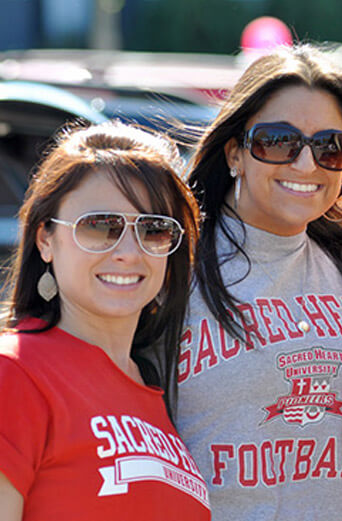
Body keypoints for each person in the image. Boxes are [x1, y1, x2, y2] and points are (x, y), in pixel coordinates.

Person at [175, 44, 342, 520]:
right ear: (235, 152)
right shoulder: (172, 266)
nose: (305, 164)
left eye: (331, 146)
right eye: (278, 141)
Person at [0, 122, 206, 520]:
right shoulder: (15, 373)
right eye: (99, 226)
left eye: (153, 229)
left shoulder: (157, 387)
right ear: (46, 239)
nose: (129, 252)